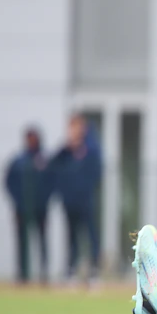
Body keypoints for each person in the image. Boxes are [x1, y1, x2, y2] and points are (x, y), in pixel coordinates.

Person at [50, 115, 102, 283]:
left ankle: (94, 271)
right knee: (71, 237)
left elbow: (96, 170)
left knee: (90, 234)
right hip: (69, 201)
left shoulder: (90, 148)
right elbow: (53, 164)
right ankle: (71, 269)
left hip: (85, 200)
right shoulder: (66, 152)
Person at [4, 127, 53, 284]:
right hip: (22, 209)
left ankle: (44, 273)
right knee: (22, 243)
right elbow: (8, 182)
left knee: (42, 241)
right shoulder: (19, 161)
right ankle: (23, 274)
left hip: (40, 209)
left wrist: (44, 201)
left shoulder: (44, 160)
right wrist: (17, 201)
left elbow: (51, 183)